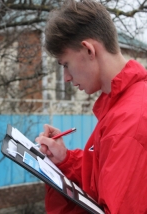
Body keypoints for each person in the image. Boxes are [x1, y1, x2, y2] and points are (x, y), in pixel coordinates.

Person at [35, 0, 147, 213]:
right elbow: (102, 174)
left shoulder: (129, 122)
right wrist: (66, 160)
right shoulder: (121, 105)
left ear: (88, 50)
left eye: (66, 64)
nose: (66, 77)